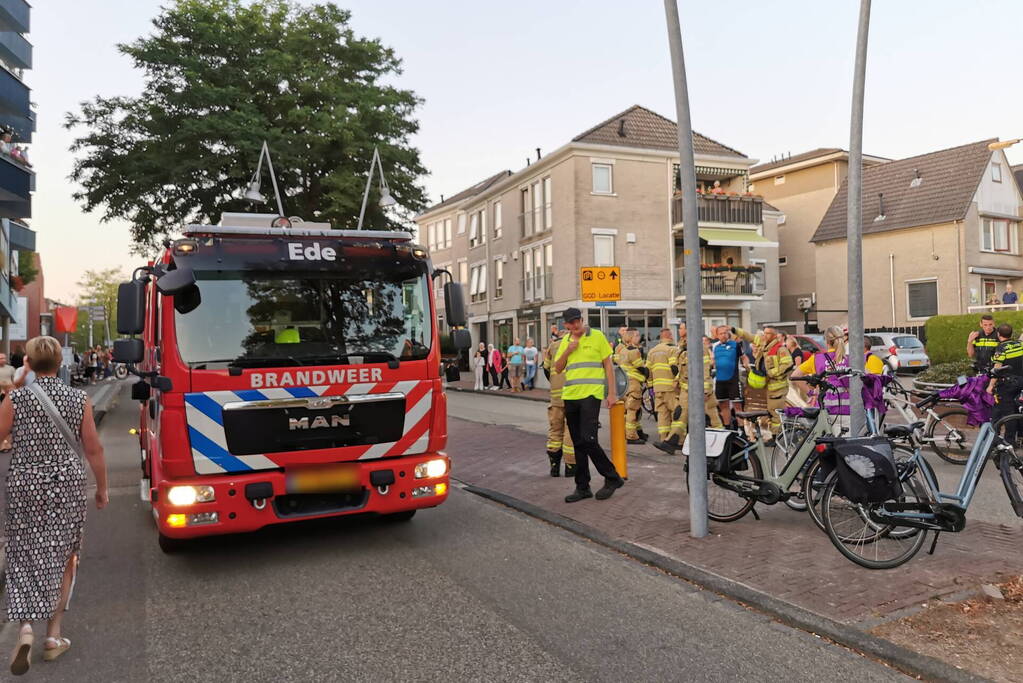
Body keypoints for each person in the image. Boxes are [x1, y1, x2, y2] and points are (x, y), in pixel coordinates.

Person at [0, 336, 108, 675]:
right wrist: (102, 489)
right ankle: (53, 636)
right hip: (67, 486)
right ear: (60, 363)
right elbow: (93, 449)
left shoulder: (15, 399)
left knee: (23, 553)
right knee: (64, 557)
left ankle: (26, 629)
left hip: (24, 484)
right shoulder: (79, 398)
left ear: (28, 363)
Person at [553, 307, 624, 503]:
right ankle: (582, 486)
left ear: (582, 320)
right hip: (570, 395)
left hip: (591, 395)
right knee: (578, 443)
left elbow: (608, 365)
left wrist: (611, 393)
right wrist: (568, 350)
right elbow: (557, 368)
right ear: (566, 324)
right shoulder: (566, 341)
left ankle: (612, 477)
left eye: (577, 321)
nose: (575, 325)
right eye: (571, 322)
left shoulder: (597, 336)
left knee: (589, 438)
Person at [542, 327, 575, 477]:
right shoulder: (575, 344)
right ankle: (570, 467)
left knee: (555, 430)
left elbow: (546, 368)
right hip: (572, 393)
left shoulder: (553, 346)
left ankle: (554, 467)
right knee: (571, 431)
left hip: (555, 396)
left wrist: (554, 382)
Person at [987, 323, 1023, 444]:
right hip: (1021, 381)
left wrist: (991, 386)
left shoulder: (1001, 348)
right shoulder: (1019, 344)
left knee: (1009, 413)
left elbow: (997, 368)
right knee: (1017, 408)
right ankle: (1020, 436)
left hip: (1008, 385)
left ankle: (1009, 441)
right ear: (1011, 333)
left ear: (998, 334)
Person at [646, 328, 681, 447]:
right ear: (670, 336)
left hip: (657, 388)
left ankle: (663, 438)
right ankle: (677, 440)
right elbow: (674, 368)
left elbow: (647, 371)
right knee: (676, 414)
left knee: (662, 415)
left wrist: (650, 386)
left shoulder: (652, 351)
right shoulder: (672, 349)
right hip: (671, 387)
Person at [619, 328, 648, 444]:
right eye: (636, 336)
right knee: (632, 410)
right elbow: (639, 367)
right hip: (634, 383)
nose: (638, 337)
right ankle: (631, 436)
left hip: (624, 383)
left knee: (626, 410)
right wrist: (647, 372)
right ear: (631, 338)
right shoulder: (634, 351)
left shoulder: (622, 351)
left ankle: (629, 432)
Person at [711, 326, 743, 428]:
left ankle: (742, 430)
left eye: (725, 333)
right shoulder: (715, 346)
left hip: (733, 380)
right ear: (717, 335)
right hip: (720, 380)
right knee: (723, 405)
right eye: (721, 333)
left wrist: (748, 369)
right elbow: (713, 361)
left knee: (737, 406)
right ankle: (728, 428)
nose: (723, 335)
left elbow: (744, 358)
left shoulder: (735, 345)